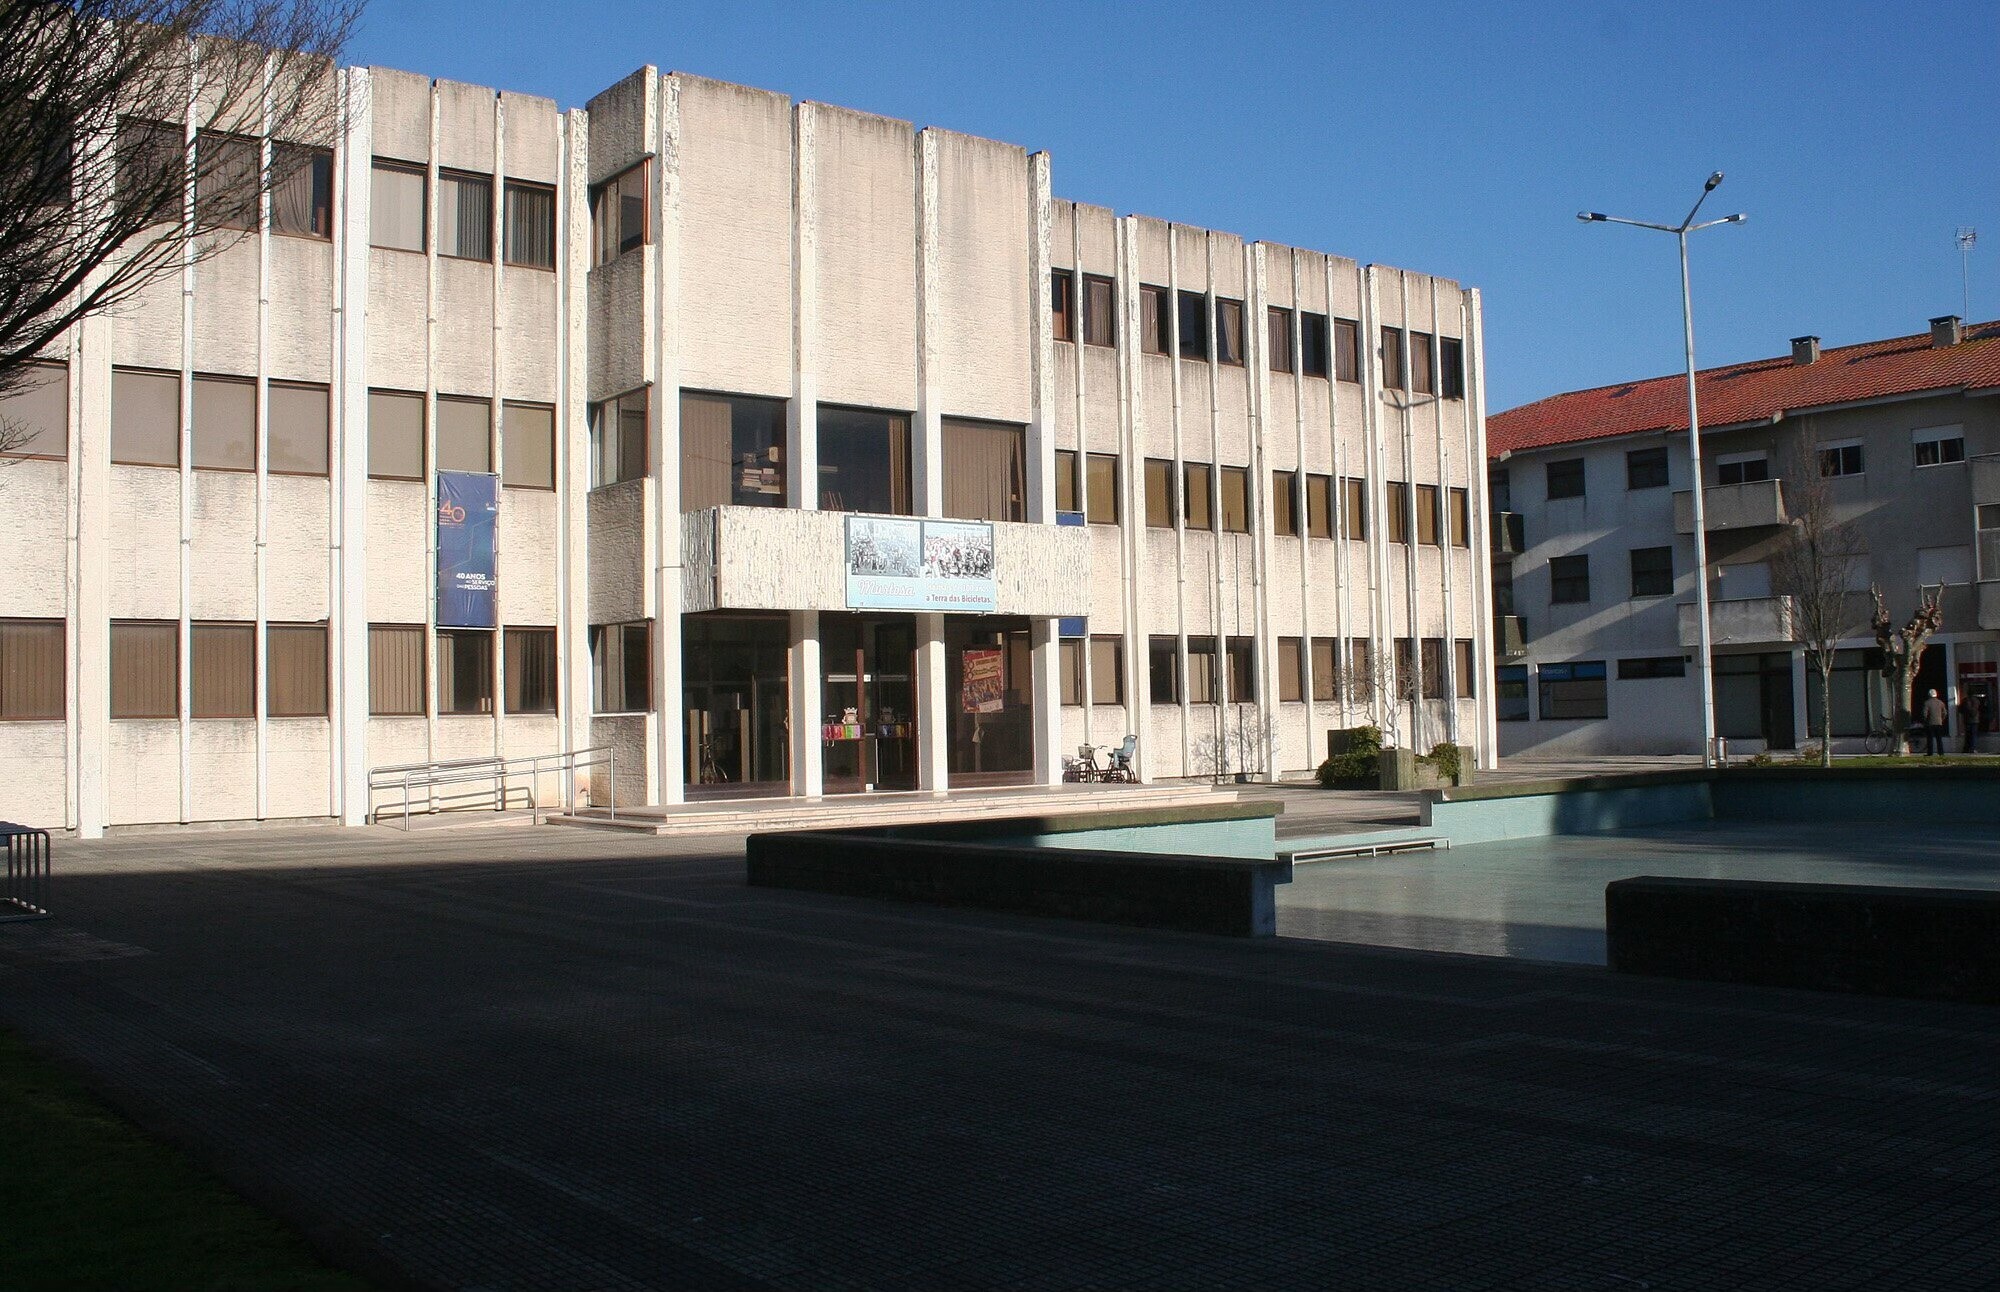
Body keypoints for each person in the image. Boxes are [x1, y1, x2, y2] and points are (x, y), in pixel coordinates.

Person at [1922, 688, 1948, 756]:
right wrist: (1941, 719)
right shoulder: (1940, 702)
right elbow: (1945, 713)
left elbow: (1924, 714)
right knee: (1939, 739)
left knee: (1930, 739)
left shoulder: (1927, 703)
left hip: (1930, 723)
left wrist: (1925, 721)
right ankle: (1941, 752)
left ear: (1929, 695)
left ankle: (1930, 753)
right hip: (1939, 723)